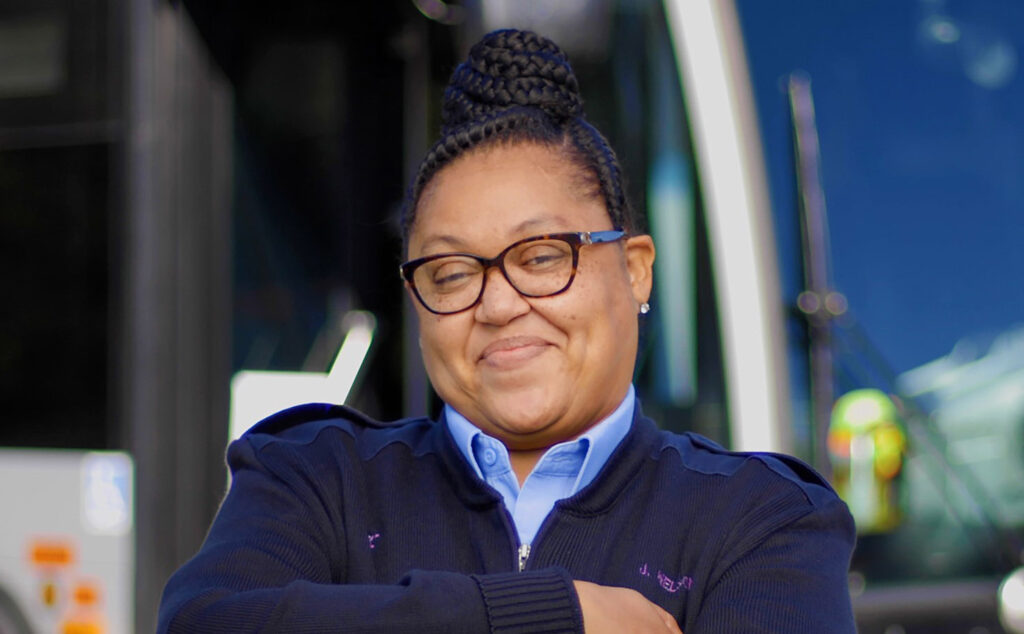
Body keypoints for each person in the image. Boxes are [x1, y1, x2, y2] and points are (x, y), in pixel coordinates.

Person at [158, 28, 856, 633]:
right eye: (453, 273)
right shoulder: (318, 478)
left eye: (542, 256)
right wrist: (545, 615)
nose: (496, 304)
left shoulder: (761, 520)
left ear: (636, 270)